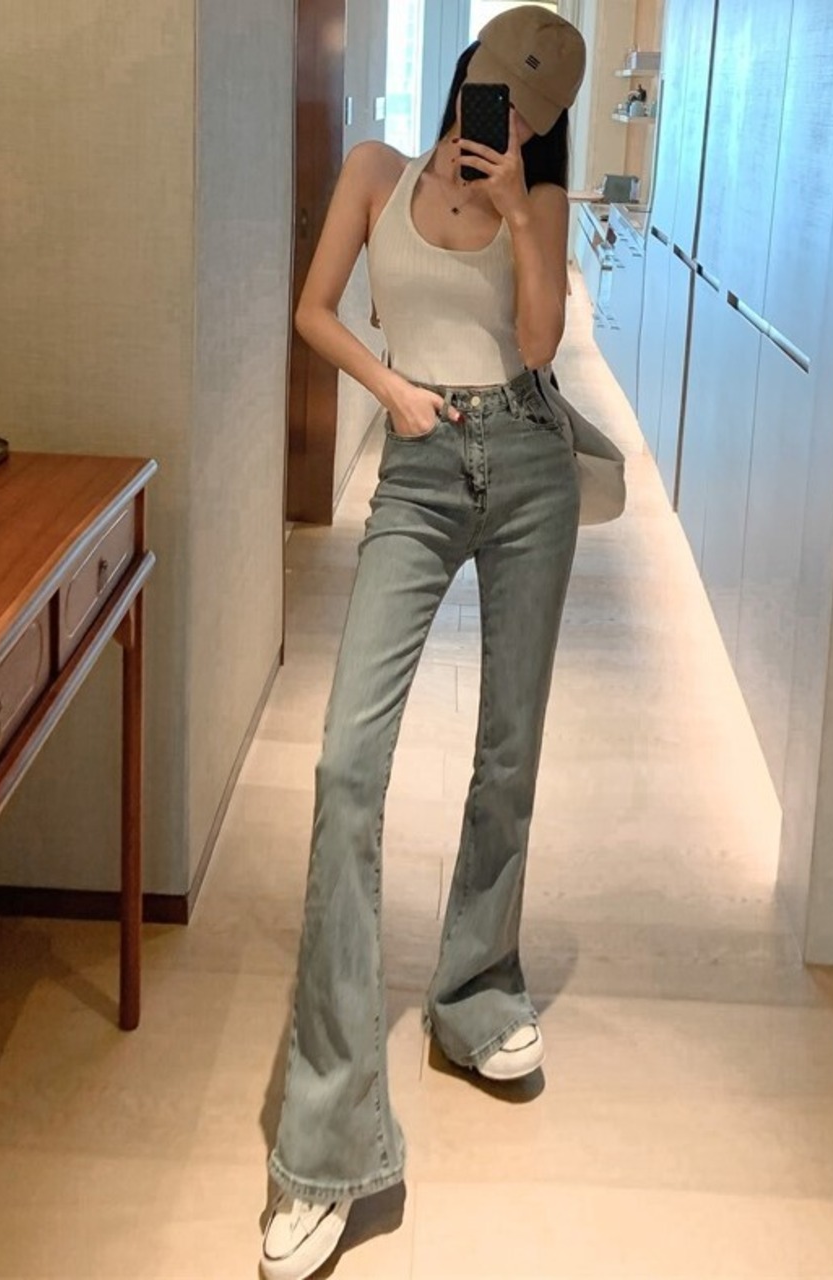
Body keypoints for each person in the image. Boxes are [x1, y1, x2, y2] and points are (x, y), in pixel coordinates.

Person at [259, 9, 588, 1279]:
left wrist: (518, 215)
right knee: (346, 763)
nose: (503, 114)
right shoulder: (372, 170)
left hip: (529, 459)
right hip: (417, 461)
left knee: (508, 749)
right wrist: (390, 389)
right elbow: (313, 309)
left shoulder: (535, 202)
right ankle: (325, 1136)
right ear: (465, 75)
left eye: (532, 109)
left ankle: (474, 993)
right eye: (495, 85)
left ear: (543, 127)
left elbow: (542, 343)